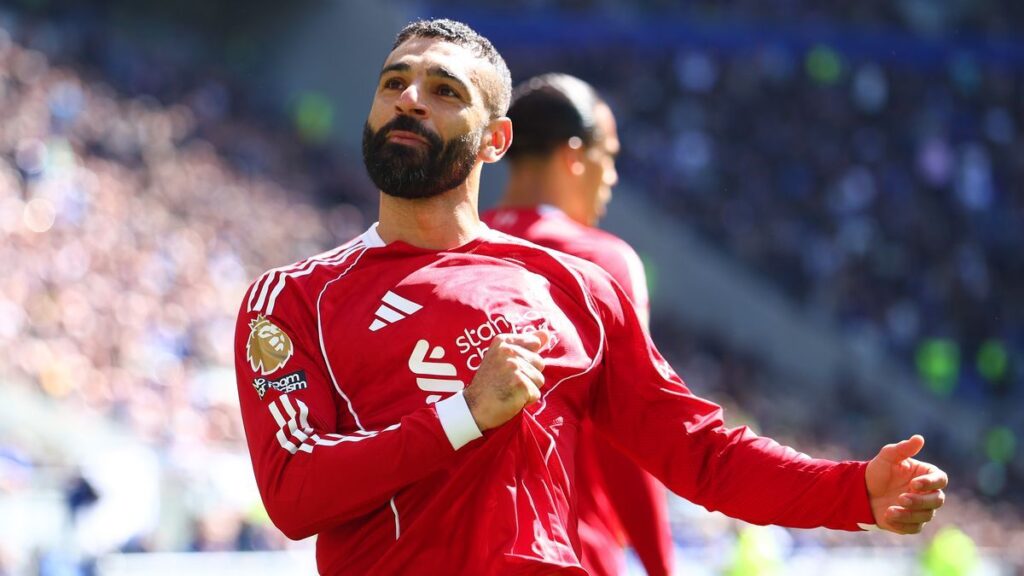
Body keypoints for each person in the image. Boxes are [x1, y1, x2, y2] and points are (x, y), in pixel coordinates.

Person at [233, 18, 948, 576]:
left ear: (496, 141)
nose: (409, 99)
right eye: (394, 83)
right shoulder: (294, 299)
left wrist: (853, 491)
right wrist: (463, 415)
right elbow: (295, 494)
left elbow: (697, 451)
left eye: (444, 90)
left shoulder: (574, 284)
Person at [482, 74, 671, 576]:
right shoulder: (599, 260)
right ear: (574, 155)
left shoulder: (451, 252)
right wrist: (660, 566)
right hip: (569, 550)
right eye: (608, 157)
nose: (611, 177)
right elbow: (631, 434)